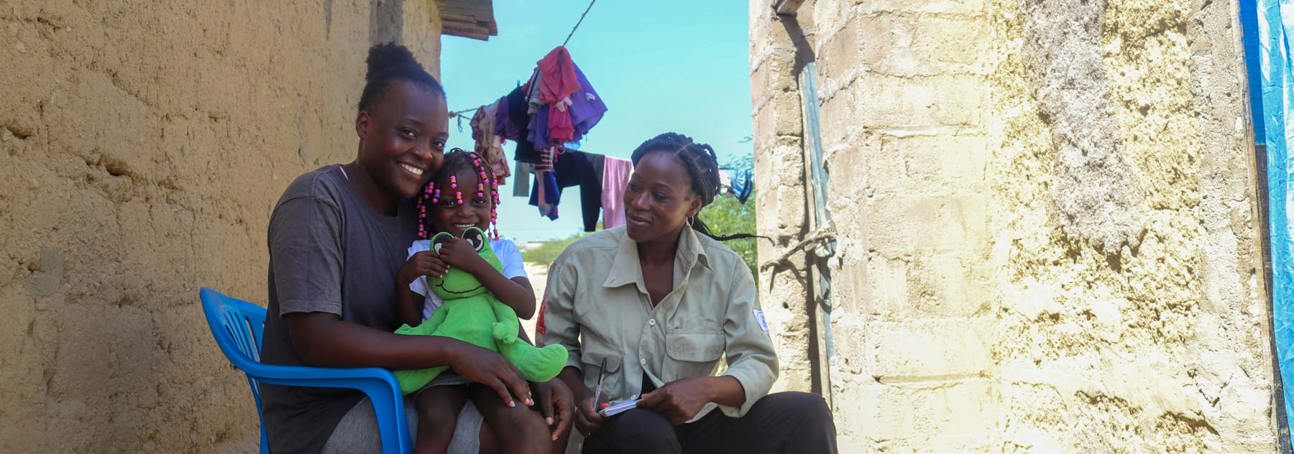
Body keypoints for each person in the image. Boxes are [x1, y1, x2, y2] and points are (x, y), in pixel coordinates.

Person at [258, 42, 571, 454]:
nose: (423, 153)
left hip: (407, 384)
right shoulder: (318, 201)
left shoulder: (419, 215)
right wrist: (453, 351)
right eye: (407, 133)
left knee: (547, 420)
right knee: (522, 436)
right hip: (330, 411)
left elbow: (477, 301)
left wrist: (536, 370)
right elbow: (316, 338)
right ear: (364, 124)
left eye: (437, 142)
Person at [539, 133, 838, 454]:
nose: (639, 202)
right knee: (644, 429)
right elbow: (556, 347)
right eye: (635, 186)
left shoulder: (726, 271)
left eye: (660, 195)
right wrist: (581, 394)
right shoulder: (580, 261)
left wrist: (707, 389)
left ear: (692, 205)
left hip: (699, 428)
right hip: (614, 434)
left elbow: (757, 359)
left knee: (807, 412)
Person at [394, 149, 568, 454]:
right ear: (430, 208)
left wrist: (476, 264)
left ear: (492, 205)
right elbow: (410, 324)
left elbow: (525, 307)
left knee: (523, 424)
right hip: (441, 365)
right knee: (435, 417)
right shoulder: (423, 251)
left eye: (479, 202)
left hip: (495, 359)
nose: (465, 213)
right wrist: (404, 279)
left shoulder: (502, 251)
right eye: (450, 203)